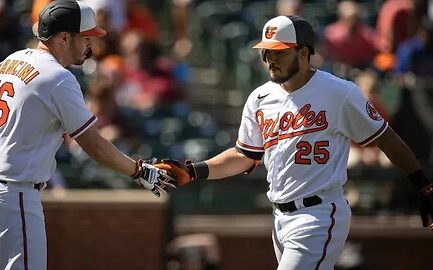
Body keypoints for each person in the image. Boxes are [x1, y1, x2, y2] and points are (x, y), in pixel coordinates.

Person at [155, 15, 433, 270]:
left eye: (279, 52)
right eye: (265, 52)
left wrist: (423, 184)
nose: (269, 59)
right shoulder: (259, 98)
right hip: (279, 217)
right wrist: (194, 171)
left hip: (320, 213)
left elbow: (386, 139)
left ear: (303, 53)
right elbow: (244, 155)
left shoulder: (339, 93)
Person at [0, 1, 175, 269]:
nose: (90, 45)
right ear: (64, 37)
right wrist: (139, 171)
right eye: (85, 37)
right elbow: (93, 144)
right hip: (13, 196)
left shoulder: (8, 62)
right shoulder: (58, 77)